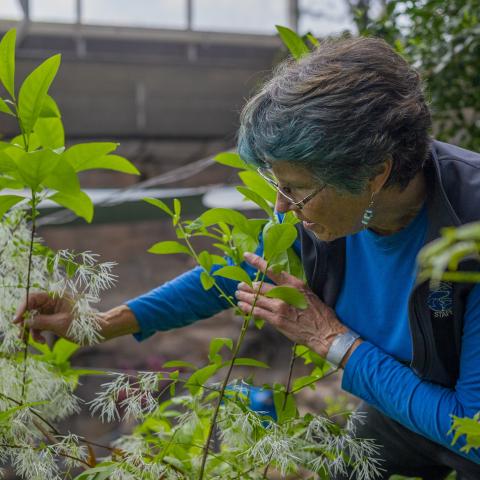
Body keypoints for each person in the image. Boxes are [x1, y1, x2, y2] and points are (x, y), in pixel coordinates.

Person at [15, 37, 480, 479]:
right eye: (278, 185)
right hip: (400, 399)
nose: (281, 206)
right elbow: (232, 273)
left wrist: (334, 341)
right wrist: (97, 323)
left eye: (296, 188)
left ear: (374, 174)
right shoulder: (321, 215)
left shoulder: (471, 230)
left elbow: (470, 428)